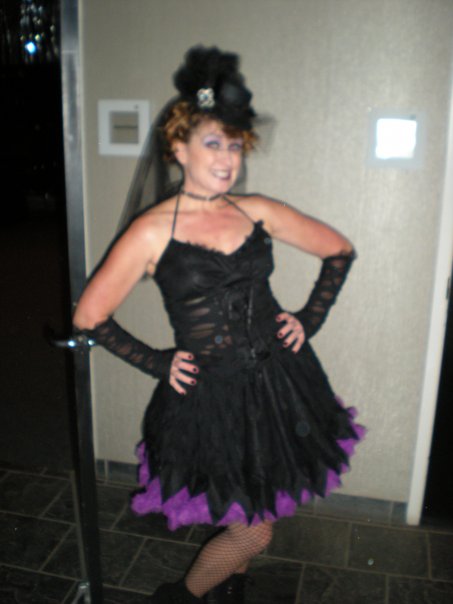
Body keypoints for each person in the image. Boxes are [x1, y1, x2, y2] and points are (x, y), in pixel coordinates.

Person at [73, 46, 364, 604]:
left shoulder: (257, 210)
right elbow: (89, 316)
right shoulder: (150, 232)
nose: (228, 158)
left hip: (280, 385)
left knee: (251, 506)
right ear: (179, 148)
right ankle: (180, 598)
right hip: (211, 398)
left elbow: (339, 251)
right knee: (254, 529)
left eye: (234, 145)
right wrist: (158, 362)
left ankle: (228, 589)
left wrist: (309, 318)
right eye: (213, 143)